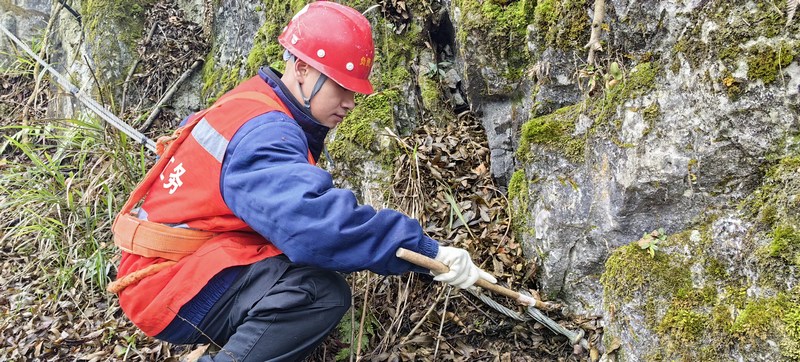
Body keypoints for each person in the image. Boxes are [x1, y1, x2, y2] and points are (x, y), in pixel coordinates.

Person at [106, 2, 495, 361]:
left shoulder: (253, 102)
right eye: (341, 86)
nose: (350, 102)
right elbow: (318, 227)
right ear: (303, 69)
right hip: (166, 287)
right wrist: (429, 253)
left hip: (171, 267)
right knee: (319, 294)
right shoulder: (265, 133)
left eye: (354, 90)